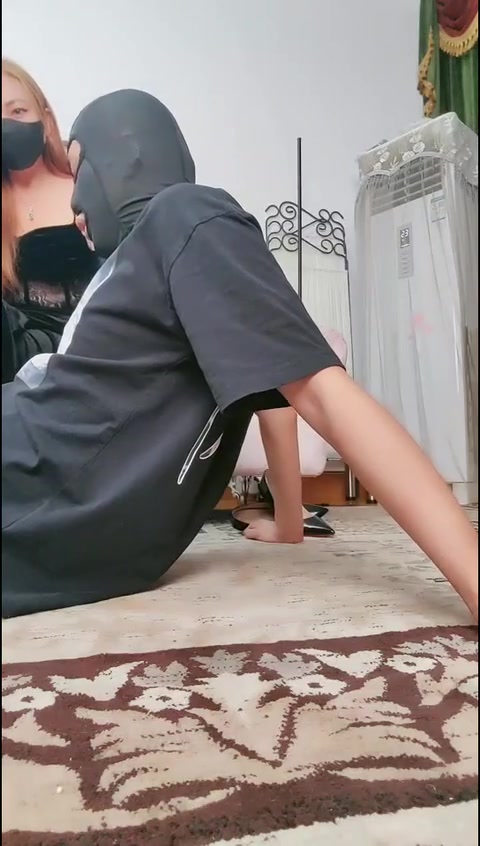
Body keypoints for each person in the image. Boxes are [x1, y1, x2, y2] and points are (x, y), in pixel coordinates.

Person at [2, 90, 477, 623]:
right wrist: (289, 521)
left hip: (39, 477)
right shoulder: (137, 261)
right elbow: (279, 387)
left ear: (125, 158)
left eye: (78, 170)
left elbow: (317, 390)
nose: (73, 207)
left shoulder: (184, 214)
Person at [2, 59, 98, 383]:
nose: (6, 125)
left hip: (96, 342)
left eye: (17, 111)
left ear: (45, 117)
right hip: (20, 355)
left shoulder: (88, 180)